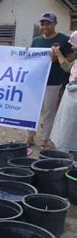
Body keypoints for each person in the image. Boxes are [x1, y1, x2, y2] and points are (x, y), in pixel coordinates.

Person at [25, 12, 74, 149]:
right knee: (32, 110)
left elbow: (71, 59)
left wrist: (57, 59)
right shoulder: (36, 40)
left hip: (53, 81)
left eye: (48, 23)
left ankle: (45, 139)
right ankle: (30, 137)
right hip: (36, 81)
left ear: (55, 24)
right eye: (43, 23)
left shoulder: (64, 40)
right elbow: (31, 58)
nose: (45, 26)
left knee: (48, 111)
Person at [50, 31, 77, 153]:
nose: (72, 47)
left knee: (72, 125)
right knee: (68, 124)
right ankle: (68, 152)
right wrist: (58, 52)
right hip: (72, 95)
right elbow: (67, 67)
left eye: (74, 44)